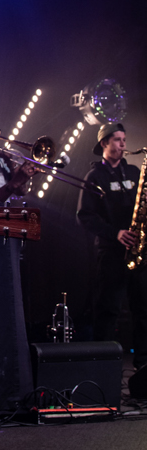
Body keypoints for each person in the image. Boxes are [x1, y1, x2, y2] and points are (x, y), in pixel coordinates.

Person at [77, 123, 147, 366]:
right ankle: (103, 369)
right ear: (104, 143)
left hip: (138, 252)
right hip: (111, 253)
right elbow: (85, 216)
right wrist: (115, 233)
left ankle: (143, 367)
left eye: (124, 139)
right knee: (108, 312)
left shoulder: (136, 173)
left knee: (144, 311)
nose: (123, 144)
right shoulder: (94, 177)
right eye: (117, 140)